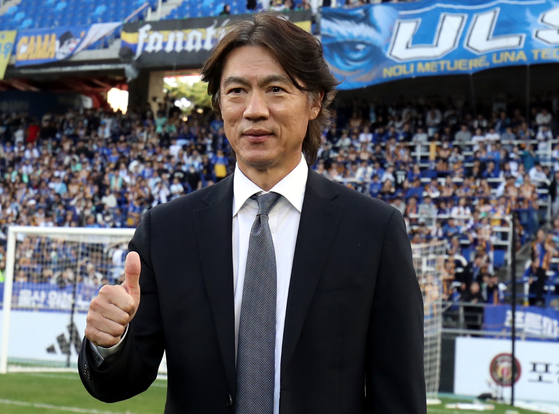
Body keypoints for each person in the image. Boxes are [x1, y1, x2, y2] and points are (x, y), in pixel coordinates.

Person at [78, 13, 426, 414]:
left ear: (314, 101)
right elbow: (122, 381)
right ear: (220, 103)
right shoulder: (166, 231)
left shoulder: (374, 230)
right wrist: (109, 343)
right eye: (237, 90)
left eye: (276, 89)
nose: (254, 110)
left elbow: (399, 397)